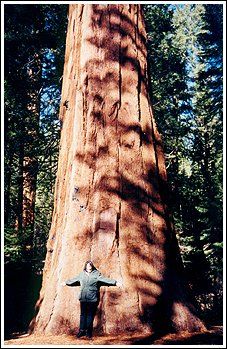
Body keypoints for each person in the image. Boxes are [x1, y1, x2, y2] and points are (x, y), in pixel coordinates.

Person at [61, 260, 123, 339]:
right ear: (85, 266)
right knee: (83, 315)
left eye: (90, 265)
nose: (89, 267)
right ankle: (81, 331)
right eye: (87, 265)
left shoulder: (96, 274)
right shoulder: (82, 274)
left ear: (92, 266)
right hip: (83, 298)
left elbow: (105, 279)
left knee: (90, 316)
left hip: (92, 299)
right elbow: (74, 280)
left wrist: (115, 283)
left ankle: (89, 332)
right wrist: (66, 282)